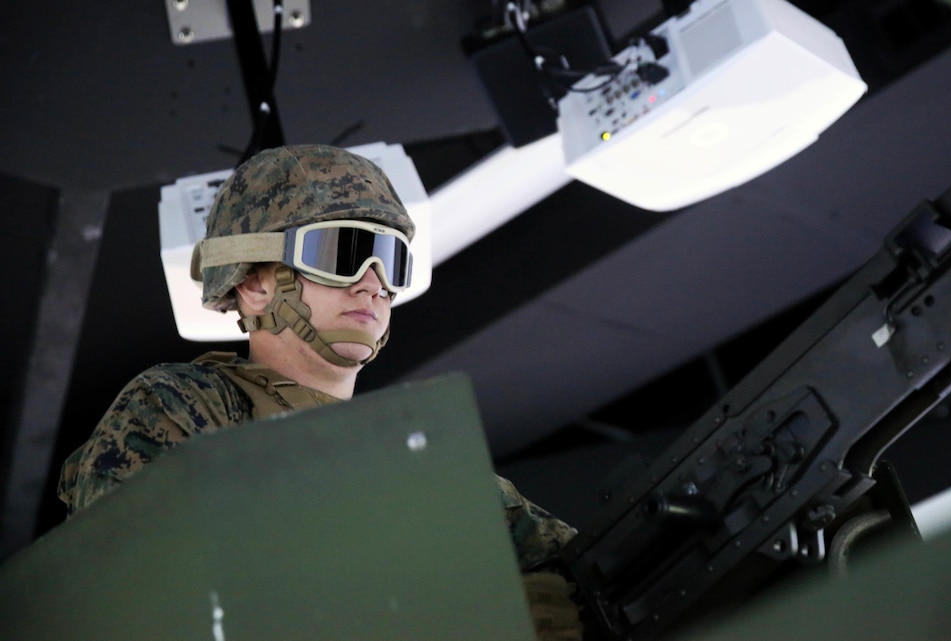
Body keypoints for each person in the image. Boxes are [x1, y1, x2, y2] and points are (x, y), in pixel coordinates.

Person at [57, 144, 582, 640]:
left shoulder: (418, 461)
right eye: (343, 252)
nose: (372, 283)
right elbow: (127, 596)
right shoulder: (184, 407)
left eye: (389, 261)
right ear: (255, 282)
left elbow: (579, 573)